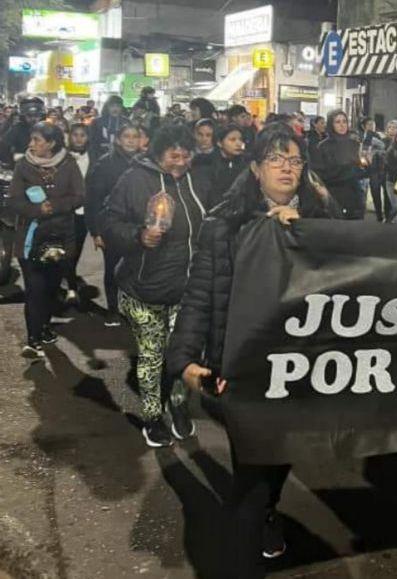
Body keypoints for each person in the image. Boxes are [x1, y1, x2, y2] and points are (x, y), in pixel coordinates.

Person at [166, 124, 340, 577]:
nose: (287, 168)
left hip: (301, 367)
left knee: (278, 460)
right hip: (242, 367)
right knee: (251, 476)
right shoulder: (224, 224)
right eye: (276, 159)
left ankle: (266, 510)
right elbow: (200, 295)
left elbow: (367, 266)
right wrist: (183, 359)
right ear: (255, 168)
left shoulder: (324, 216)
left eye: (295, 160)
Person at [101, 124, 211, 447]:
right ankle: (152, 416)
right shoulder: (135, 180)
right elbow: (109, 222)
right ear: (158, 153)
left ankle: (178, 407)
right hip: (143, 289)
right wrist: (138, 236)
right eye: (172, 153)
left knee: (182, 354)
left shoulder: (198, 181)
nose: (179, 160)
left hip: (187, 291)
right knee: (151, 356)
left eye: (185, 153)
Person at [9, 122, 84, 358]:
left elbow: (79, 196)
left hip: (60, 238)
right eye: (32, 139)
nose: (31, 144)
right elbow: (14, 199)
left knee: (51, 288)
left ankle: (44, 326)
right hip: (30, 237)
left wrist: (55, 206)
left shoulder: (69, 164)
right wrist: (36, 209)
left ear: (51, 144)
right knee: (34, 288)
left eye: (37, 140)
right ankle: (33, 339)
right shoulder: (23, 165)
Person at [85, 124, 141, 327]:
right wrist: (96, 231)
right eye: (126, 136)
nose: (131, 140)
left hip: (137, 227)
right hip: (111, 226)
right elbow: (93, 200)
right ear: (117, 139)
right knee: (113, 269)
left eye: (135, 136)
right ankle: (113, 310)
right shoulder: (105, 164)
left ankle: (132, 308)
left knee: (135, 269)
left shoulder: (144, 163)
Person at [64, 123, 96, 305]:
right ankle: (70, 287)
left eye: (82, 135)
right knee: (66, 249)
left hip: (84, 212)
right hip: (66, 211)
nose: (78, 138)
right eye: (75, 134)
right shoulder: (62, 157)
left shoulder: (95, 157)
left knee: (76, 249)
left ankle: (70, 278)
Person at [311, 109, 364, 220]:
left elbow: (359, 168)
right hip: (334, 194)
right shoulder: (323, 146)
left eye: (344, 121)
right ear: (331, 124)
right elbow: (319, 174)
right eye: (338, 122)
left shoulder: (354, 144)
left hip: (354, 194)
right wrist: (345, 170)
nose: (342, 125)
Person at [196, 125, 248, 207]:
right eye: (232, 140)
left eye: (240, 139)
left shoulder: (245, 164)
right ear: (219, 143)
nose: (239, 144)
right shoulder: (205, 163)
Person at [0, 96, 46, 165]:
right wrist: (13, 158)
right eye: (29, 116)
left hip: (46, 166)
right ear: (23, 116)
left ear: (42, 116)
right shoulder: (16, 129)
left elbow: (59, 148)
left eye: (36, 115)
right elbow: (4, 147)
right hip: (22, 166)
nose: (33, 119)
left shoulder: (48, 129)